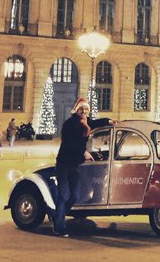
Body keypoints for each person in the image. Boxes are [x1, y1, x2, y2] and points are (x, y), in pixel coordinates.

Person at [51, 98, 114, 237]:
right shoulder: (69, 124)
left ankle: (57, 216)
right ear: (76, 110)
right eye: (81, 109)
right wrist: (83, 152)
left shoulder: (86, 122)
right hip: (63, 163)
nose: (84, 111)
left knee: (75, 196)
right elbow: (69, 144)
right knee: (63, 195)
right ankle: (59, 227)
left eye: (86, 109)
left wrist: (109, 121)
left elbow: (97, 122)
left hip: (75, 165)